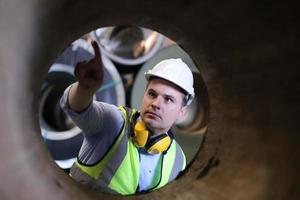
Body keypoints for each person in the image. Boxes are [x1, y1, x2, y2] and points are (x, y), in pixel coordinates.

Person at [60, 41, 195, 195]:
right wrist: (84, 89)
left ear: (181, 112)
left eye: (168, 99)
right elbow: (76, 108)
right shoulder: (113, 123)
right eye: (152, 94)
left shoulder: (179, 160)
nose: (156, 104)